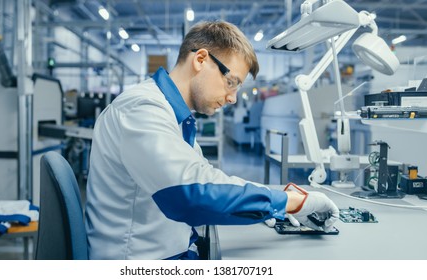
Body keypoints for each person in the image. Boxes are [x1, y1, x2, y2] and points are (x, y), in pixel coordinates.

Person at [84, 20, 339, 260]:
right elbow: (192, 194)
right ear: (201, 59)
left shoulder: (174, 116)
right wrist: (293, 203)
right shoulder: (142, 108)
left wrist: (267, 203)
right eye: (231, 82)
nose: (233, 98)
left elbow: (207, 178)